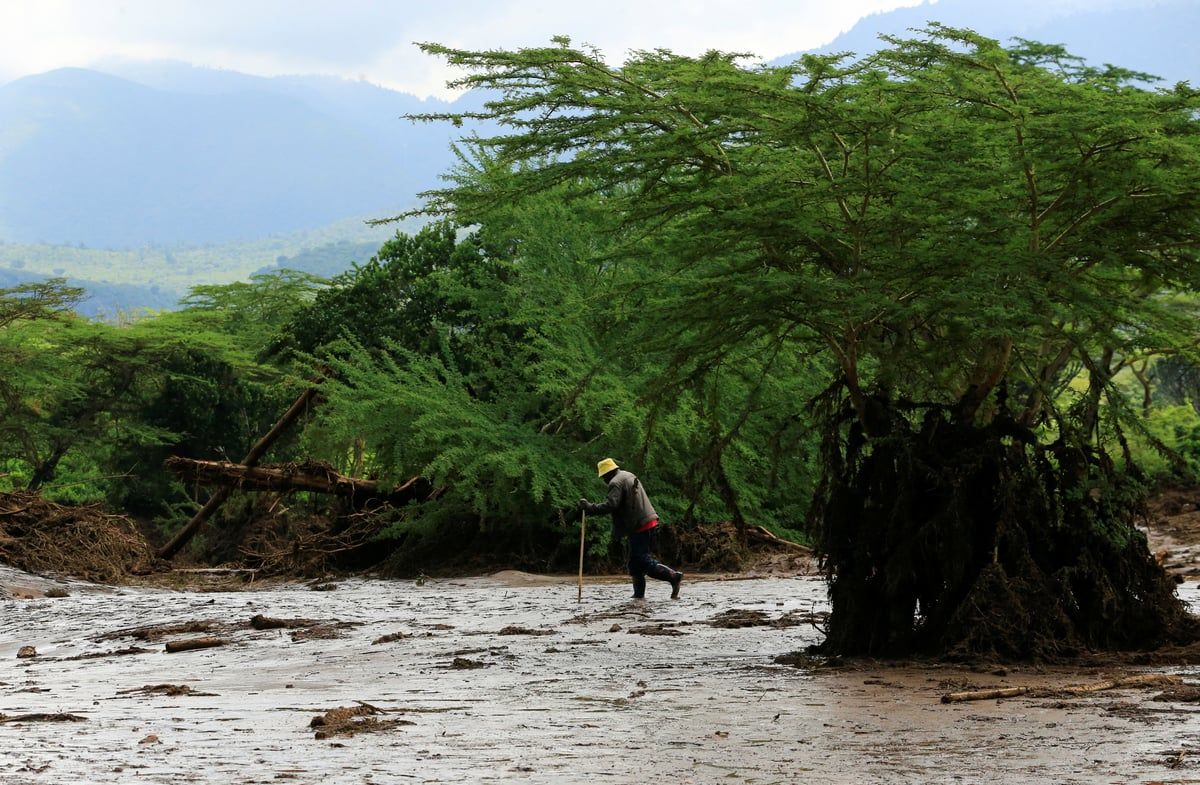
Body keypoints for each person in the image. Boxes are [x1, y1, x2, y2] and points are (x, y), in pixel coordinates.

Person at [579, 458, 683, 599]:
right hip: (647, 521)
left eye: (603, 476)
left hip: (640, 525)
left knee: (641, 560)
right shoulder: (628, 475)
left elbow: (612, 505)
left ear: (607, 473)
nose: (604, 480)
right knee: (634, 563)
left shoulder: (615, 482)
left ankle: (673, 576)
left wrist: (590, 508)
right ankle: (638, 596)